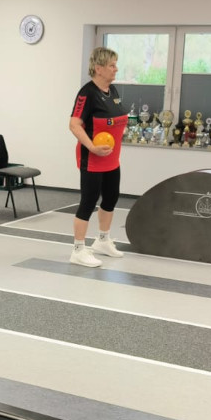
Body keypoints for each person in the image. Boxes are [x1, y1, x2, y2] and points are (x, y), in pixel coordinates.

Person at [68, 46, 127, 267]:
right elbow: (74, 124)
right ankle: (78, 250)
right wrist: (92, 147)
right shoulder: (87, 93)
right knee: (88, 201)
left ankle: (102, 240)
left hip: (112, 158)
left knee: (111, 198)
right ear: (98, 68)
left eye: (115, 64)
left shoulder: (113, 91)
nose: (116, 69)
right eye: (112, 65)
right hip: (92, 158)